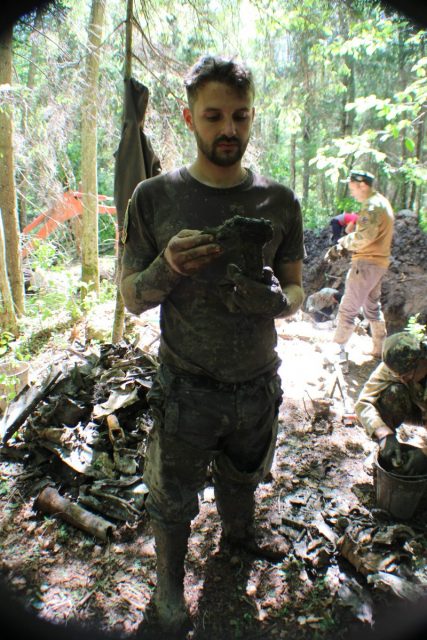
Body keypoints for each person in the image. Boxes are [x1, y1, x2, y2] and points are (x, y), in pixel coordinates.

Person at [120, 55, 305, 633]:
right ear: (189, 118)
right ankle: (169, 588)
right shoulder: (153, 198)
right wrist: (167, 268)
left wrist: (275, 301)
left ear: (252, 118)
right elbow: (131, 297)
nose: (229, 129)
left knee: (243, 478)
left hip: (256, 384)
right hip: (187, 387)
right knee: (173, 497)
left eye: (241, 116)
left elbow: (298, 289)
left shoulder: (279, 200)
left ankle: (238, 543)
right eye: (215, 116)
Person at [325, 170, 394, 363]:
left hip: (366, 263)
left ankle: (336, 349)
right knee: (372, 306)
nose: (352, 192)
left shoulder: (371, 206)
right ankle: (380, 348)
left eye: (353, 188)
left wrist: (342, 244)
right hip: (378, 263)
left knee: (348, 307)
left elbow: (364, 237)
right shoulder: (382, 203)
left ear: (362, 185)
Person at [355, 331, 427, 476]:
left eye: (408, 374)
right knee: (393, 393)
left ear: (422, 359)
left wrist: (425, 453)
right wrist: (384, 434)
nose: (403, 379)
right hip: (416, 410)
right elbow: (364, 403)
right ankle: (387, 451)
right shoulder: (395, 366)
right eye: (398, 375)